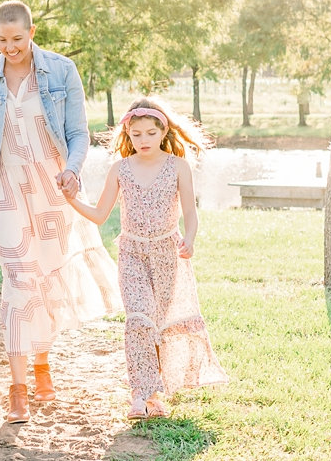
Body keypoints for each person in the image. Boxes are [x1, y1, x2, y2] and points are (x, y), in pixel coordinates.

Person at [0, 0, 120, 423]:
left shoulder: (62, 71)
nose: (9, 48)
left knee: (44, 281)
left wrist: (73, 171)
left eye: (17, 39)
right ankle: (18, 388)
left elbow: (78, 134)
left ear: (32, 31)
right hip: (6, 192)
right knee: (19, 283)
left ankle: (42, 364)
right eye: (2, 40)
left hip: (53, 191)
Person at [64, 97, 228, 418]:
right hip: (132, 253)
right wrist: (72, 200)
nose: (143, 141)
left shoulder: (178, 166)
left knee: (159, 325)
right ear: (127, 134)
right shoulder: (120, 169)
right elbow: (99, 214)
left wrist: (190, 239)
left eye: (150, 133)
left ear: (163, 131)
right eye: (136, 134)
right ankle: (139, 394)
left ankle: (155, 395)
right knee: (138, 319)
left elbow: (190, 215)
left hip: (168, 254)